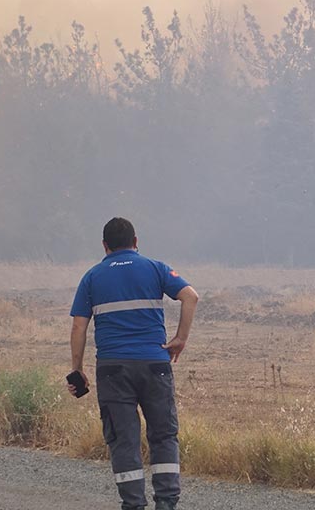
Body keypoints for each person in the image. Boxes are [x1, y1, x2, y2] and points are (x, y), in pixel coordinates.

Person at [68, 217, 200, 510]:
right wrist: (180, 338)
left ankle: (133, 504)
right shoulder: (156, 268)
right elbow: (190, 296)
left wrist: (77, 369)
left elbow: (79, 327)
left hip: (113, 369)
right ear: (136, 242)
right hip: (155, 364)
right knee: (163, 435)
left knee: (124, 439)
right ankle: (166, 503)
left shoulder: (92, 277)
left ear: (104, 246)